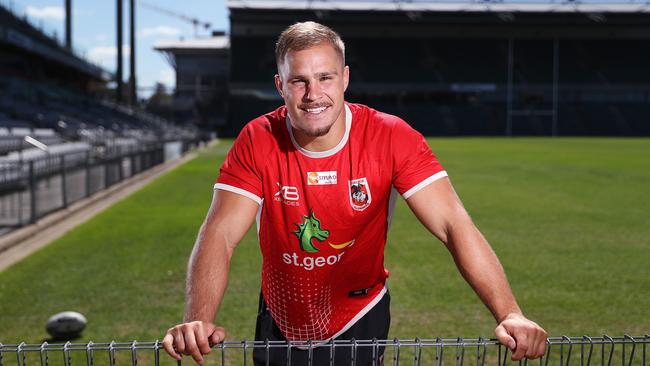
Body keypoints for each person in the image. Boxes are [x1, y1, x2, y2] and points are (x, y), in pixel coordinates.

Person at [162, 21, 547, 366]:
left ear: (345, 78)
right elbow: (221, 232)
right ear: (280, 85)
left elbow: (453, 224)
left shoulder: (391, 135)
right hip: (280, 311)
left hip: (358, 311)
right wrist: (198, 315)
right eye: (299, 81)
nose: (313, 93)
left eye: (325, 78)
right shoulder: (257, 138)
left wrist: (509, 312)